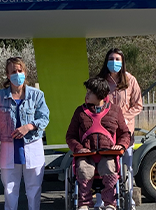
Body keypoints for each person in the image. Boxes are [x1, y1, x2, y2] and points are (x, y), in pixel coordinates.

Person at [0, 56, 50, 210]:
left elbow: (44, 117)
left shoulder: (37, 95)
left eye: (20, 70)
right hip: (9, 146)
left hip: (32, 146)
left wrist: (29, 126)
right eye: (13, 71)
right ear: (8, 75)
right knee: (9, 189)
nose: (17, 73)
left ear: (25, 72)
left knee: (34, 188)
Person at [66, 77, 131, 210]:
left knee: (108, 166)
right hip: (86, 154)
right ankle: (84, 203)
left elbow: (125, 133)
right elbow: (70, 136)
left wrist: (121, 145)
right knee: (84, 169)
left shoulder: (115, 111)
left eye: (90, 92)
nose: (86, 95)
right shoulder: (80, 112)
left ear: (100, 94)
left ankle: (109, 203)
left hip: (108, 153)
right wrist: (78, 148)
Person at [96, 48, 143, 208]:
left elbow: (138, 105)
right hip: (104, 131)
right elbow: (92, 101)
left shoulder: (130, 80)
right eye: (111, 58)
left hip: (125, 131)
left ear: (122, 62)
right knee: (104, 164)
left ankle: (128, 196)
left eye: (118, 59)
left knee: (126, 166)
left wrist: (123, 118)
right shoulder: (101, 80)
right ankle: (102, 198)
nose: (114, 62)